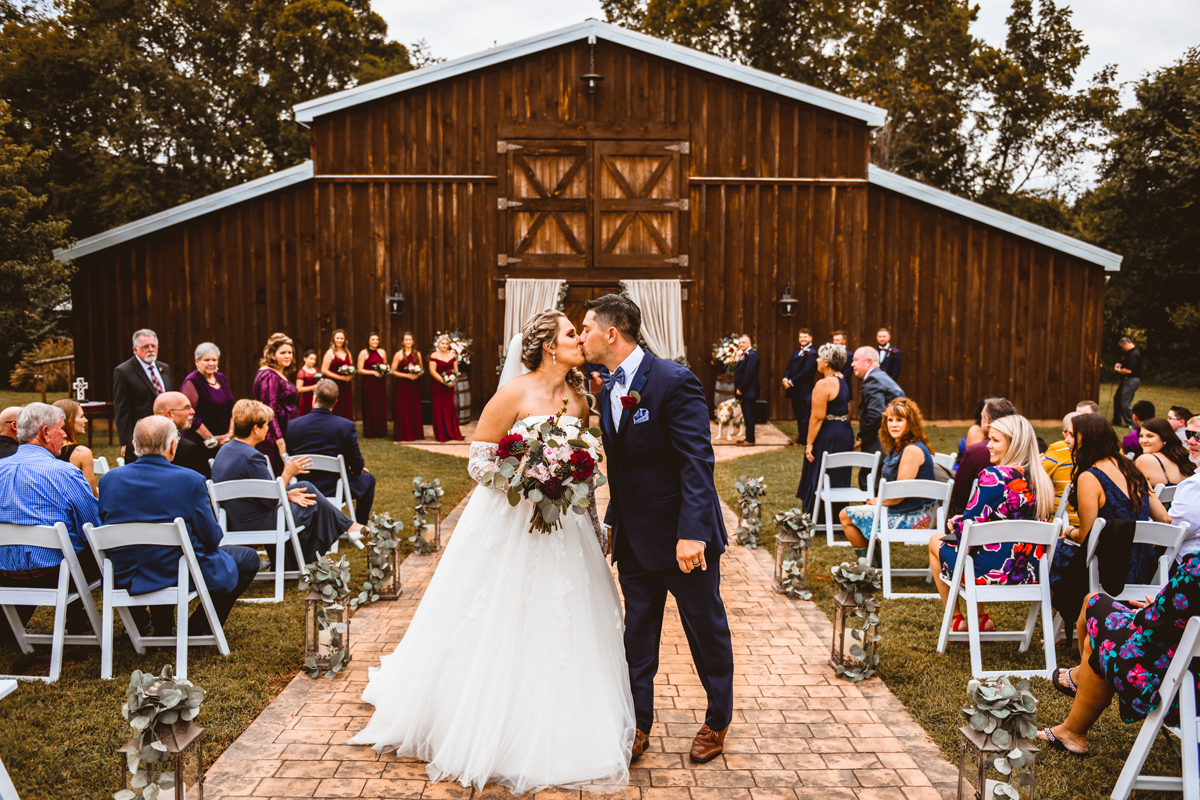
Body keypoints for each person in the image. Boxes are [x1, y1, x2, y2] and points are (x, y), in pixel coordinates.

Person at [350, 308, 636, 794]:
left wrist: (590, 521)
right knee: (501, 614)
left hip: (566, 529)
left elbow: (583, 474)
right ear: (549, 344)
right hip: (511, 522)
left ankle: (564, 719)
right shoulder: (512, 394)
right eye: (572, 334)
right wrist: (528, 480)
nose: (579, 341)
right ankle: (482, 717)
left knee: (564, 617)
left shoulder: (578, 400)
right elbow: (479, 461)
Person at [581, 294, 734, 766]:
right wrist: (612, 521)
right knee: (637, 635)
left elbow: (696, 462)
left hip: (684, 539)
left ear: (611, 333)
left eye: (585, 327)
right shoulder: (607, 389)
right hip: (634, 539)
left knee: (704, 629)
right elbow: (623, 468)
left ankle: (717, 719)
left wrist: (692, 532)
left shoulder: (673, 381)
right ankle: (638, 724)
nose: (580, 335)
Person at [98, 416, 260, 637]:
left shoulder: (108, 480)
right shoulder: (190, 480)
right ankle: (197, 630)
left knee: (160, 554)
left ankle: (164, 628)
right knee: (247, 558)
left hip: (128, 572)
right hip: (177, 571)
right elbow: (211, 539)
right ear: (173, 446)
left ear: (134, 446)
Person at [1037, 554, 1200, 757]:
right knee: (1104, 634)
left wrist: (1152, 611)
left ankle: (1081, 688)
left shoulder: (1196, 569)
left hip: (1179, 689)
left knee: (1093, 604)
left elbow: (1153, 627)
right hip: (1188, 668)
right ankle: (1075, 713)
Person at [931, 415, 1054, 633]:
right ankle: (980, 618)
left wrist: (956, 523)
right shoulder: (1041, 478)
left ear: (1013, 443)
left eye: (995, 440)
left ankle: (956, 620)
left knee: (935, 541)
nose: (988, 445)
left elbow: (966, 530)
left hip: (988, 572)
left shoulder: (994, 476)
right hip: (1030, 571)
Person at [1049, 413, 1171, 627]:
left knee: (1054, 552)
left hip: (1108, 569)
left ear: (1088, 438)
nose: (1067, 440)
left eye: (1072, 435)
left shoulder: (1090, 477)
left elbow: (1087, 537)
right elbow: (1165, 519)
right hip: (1143, 567)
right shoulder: (1133, 469)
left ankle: (1069, 624)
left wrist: (1068, 532)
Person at [212, 400, 363, 569]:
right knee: (312, 503)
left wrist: (288, 493)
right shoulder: (252, 457)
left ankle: (297, 559)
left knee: (304, 487)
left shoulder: (225, 450)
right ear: (256, 428)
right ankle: (345, 529)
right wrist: (287, 473)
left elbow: (254, 492)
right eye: (266, 425)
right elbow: (269, 501)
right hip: (257, 521)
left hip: (235, 518)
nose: (268, 429)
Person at [0, 403, 101, 643]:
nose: (65, 435)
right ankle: (138, 625)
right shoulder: (65, 473)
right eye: (61, 429)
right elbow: (92, 528)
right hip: (58, 574)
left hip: (5, 573)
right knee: (110, 551)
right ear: (45, 433)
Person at [841, 398, 937, 561]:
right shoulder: (900, 446)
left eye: (899, 420)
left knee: (845, 515)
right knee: (857, 512)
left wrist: (879, 502)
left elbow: (900, 493)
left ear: (910, 423)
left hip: (912, 518)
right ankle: (874, 562)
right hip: (904, 510)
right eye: (890, 420)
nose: (893, 424)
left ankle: (869, 565)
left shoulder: (912, 450)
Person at [286, 380, 376, 524]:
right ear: (336, 402)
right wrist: (356, 469)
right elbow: (357, 466)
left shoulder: (293, 425)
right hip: (335, 489)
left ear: (314, 398)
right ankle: (360, 525)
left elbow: (290, 458)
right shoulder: (345, 426)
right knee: (369, 479)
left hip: (302, 488)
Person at [795, 343, 853, 514]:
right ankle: (836, 514)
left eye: (820, 357)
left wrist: (809, 443)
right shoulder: (842, 380)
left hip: (828, 433)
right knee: (838, 472)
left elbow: (817, 416)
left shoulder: (823, 384)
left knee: (820, 468)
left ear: (827, 362)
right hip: (843, 431)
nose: (817, 360)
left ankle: (818, 515)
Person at [949, 397, 1018, 518]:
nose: (990, 446)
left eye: (982, 417)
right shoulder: (1030, 456)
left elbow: (959, 496)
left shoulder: (977, 454)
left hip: (975, 521)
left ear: (987, 420)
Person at [123, 392, 213, 479]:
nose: (192, 412)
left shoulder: (133, 440)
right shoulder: (186, 448)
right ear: (169, 414)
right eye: (187, 408)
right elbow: (198, 484)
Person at [851, 346, 905, 490]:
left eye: (855, 360)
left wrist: (861, 437)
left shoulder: (873, 380)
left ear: (868, 362)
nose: (852, 364)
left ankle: (872, 512)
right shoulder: (881, 377)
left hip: (881, 441)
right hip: (892, 439)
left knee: (868, 479)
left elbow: (876, 415)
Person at [112, 328, 174, 452]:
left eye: (153, 346)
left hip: (167, 431)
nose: (150, 349)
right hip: (142, 434)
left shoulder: (164, 368)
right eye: (145, 346)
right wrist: (125, 442)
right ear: (135, 349)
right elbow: (121, 409)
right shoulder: (123, 372)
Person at [252, 333, 300, 476]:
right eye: (283, 352)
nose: (288, 356)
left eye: (290, 352)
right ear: (272, 354)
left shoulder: (278, 373)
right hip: (274, 436)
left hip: (285, 428)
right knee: (278, 474)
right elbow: (269, 411)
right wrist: (281, 443)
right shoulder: (270, 376)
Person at [179, 342, 234, 450]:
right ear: (197, 362)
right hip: (200, 442)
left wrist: (229, 434)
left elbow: (231, 408)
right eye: (207, 360)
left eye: (214, 360)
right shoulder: (192, 382)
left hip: (223, 442)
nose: (211, 363)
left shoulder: (221, 378)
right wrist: (211, 438)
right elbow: (189, 415)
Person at [51, 399, 99, 496]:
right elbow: (90, 494)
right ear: (69, 422)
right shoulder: (82, 453)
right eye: (81, 417)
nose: (86, 420)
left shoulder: (45, 449)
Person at [1134, 417, 1195, 489]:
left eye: (1150, 436)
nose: (1143, 440)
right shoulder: (1184, 457)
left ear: (1164, 438)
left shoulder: (1145, 460)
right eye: (1141, 436)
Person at [1042, 412, 1080, 527]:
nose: (1067, 441)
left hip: (1063, 527)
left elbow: (1037, 484)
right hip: (1101, 529)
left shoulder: (1057, 450)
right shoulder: (1114, 452)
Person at [782, 329, 816, 447]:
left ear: (810, 338)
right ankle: (800, 438)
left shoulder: (812, 353)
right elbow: (789, 367)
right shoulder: (796, 352)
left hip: (804, 390)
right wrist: (785, 379)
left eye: (805, 337)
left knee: (804, 416)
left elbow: (806, 372)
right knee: (798, 414)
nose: (802, 339)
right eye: (801, 337)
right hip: (795, 390)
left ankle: (803, 440)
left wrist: (791, 382)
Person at [429, 333, 464, 442]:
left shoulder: (452, 355)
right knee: (438, 407)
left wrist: (453, 380)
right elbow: (432, 371)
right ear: (438, 344)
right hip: (438, 386)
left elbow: (456, 370)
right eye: (442, 343)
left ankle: (451, 432)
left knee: (449, 406)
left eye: (446, 343)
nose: (444, 345)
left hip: (450, 385)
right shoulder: (434, 355)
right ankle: (441, 434)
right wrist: (443, 381)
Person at [390, 332, 424, 442]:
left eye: (410, 340)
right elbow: (392, 371)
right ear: (403, 342)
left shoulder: (417, 354)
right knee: (404, 407)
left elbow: (422, 370)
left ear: (413, 341)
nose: (408, 342)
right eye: (406, 340)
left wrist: (416, 374)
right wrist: (407, 375)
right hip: (403, 385)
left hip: (414, 385)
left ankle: (416, 433)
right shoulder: (398, 354)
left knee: (414, 407)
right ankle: (404, 433)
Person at [357, 332, 389, 439]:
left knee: (380, 404)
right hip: (369, 382)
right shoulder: (364, 353)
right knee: (370, 405)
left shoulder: (382, 352)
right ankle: (371, 431)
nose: (375, 342)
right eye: (373, 339)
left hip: (380, 382)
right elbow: (359, 370)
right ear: (368, 341)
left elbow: (385, 365)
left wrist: (384, 371)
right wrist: (373, 372)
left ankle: (381, 430)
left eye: (377, 340)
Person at [321, 329, 355, 421]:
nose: (339, 340)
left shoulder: (347, 352)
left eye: (341, 338)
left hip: (346, 384)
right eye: (337, 338)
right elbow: (324, 370)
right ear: (333, 339)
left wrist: (350, 376)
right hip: (334, 384)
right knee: (336, 405)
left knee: (346, 404)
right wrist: (340, 377)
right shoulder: (330, 352)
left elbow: (352, 367)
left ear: (344, 340)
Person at [733, 333, 760, 447]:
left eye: (743, 342)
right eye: (739, 342)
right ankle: (748, 437)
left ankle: (750, 439)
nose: (741, 344)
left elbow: (748, 374)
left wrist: (741, 388)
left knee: (749, 416)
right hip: (746, 391)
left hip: (749, 391)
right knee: (747, 415)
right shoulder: (745, 355)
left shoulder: (752, 356)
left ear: (749, 343)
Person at [1111, 337, 1143, 427]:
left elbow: (1129, 370)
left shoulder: (1134, 354)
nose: (1122, 349)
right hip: (1125, 380)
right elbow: (1127, 366)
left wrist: (1117, 370)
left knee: (1125, 402)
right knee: (1117, 399)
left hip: (1131, 381)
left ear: (1126, 344)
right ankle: (1117, 420)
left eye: (1122, 347)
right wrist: (1120, 366)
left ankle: (1131, 423)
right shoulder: (1129, 354)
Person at [295, 350, 321, 416]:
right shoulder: (302, 372)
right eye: (311, 359)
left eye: (315, 359)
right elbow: (299, 389)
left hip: (316, 397)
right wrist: (314, 386)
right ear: (305, 359)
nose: (313, 361)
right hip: (307, 399)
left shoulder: (316, 370)